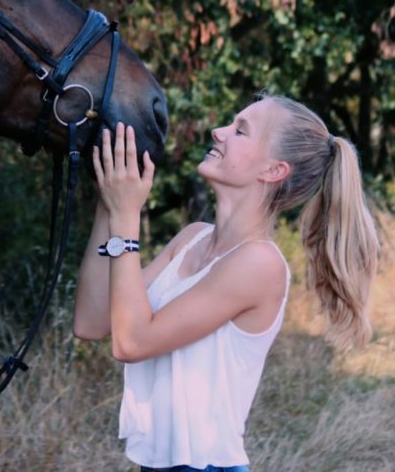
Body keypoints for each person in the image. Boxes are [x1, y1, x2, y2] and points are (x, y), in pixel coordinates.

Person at [73, 94, 379, 472]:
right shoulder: (191, 239)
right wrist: (109, 205)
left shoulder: (260, 264)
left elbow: (131, 342)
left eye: (240, 130)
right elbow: (91, 322)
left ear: (273, 170)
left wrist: (126, 217)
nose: (218, 132)